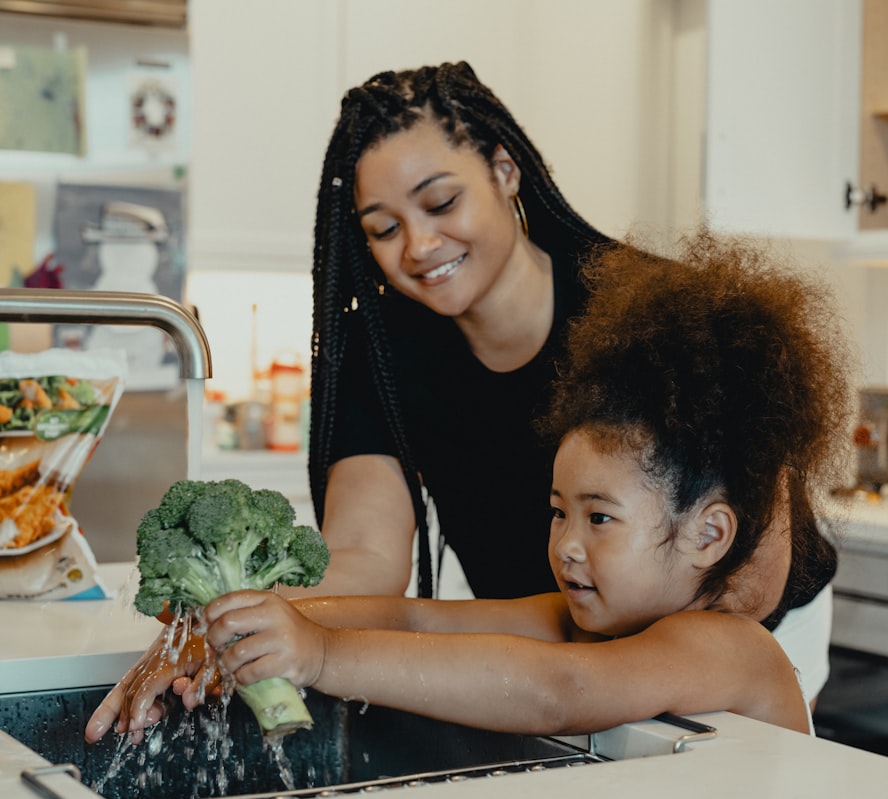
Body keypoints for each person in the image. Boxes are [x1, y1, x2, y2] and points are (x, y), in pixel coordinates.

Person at [85, 62, 843, 743]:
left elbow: (588, 675)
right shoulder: (386, 354)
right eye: (383, 228)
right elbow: (382, 576)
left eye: (441, 201)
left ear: (505, 171)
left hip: (716, 624)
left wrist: (318, 649)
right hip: (578, 622)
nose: (418, 246)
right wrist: (240, 622)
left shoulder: (650, 318)